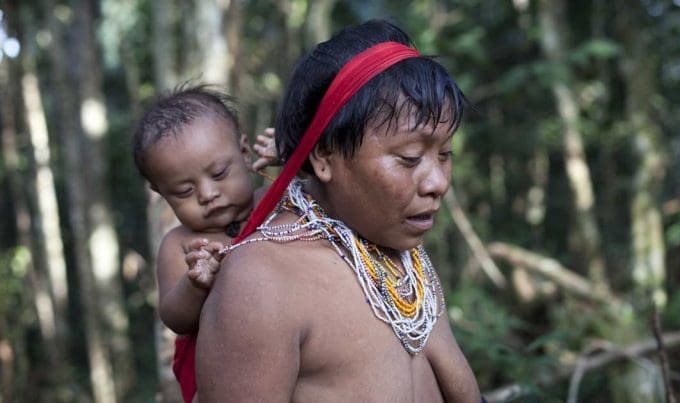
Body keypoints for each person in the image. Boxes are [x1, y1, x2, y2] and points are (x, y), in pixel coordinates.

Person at [196, 19, 482, 402]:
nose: (438, 182)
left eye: (444, 154)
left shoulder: (401, 257)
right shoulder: (262, 281)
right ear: (325, 155)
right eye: (410, 157)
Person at [132, 85, 278, 403]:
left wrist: (296, 160)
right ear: (161, 192)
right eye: (184, 191)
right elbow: (173, 317)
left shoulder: (278, 200)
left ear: (244, 151)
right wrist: (194, 285)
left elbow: (329, 203)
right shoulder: (181, 244)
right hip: (221, 368)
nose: (207, 194)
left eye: (219, 173)